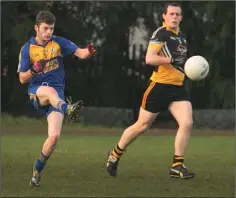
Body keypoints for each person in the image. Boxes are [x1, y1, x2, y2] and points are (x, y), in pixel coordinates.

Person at [106, 2, 195, 179]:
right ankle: (114, 154)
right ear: (164, 16)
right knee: (142, 126)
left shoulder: (182, 36)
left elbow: (180, 62)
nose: (175, 17)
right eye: (171, 14)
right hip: (159, 87)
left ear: (181, 17)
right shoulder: (161, 33)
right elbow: (149, 58)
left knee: (187, 123)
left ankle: (177, 166)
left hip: (178, 88)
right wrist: (169, 60)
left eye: (178, 14)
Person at [17, 10, 96, 187]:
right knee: (50, 91)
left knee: (54, 137)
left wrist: (90, 50)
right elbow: (22, 78)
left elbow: (81, 53)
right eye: (45, 28)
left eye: (51, 29)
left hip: (57, 97)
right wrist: (34, 70)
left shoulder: (58, 43)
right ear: (36, 28)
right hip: (37, 93)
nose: (48, 32)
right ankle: (68, 109)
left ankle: (37, 171)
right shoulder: (27, 49)